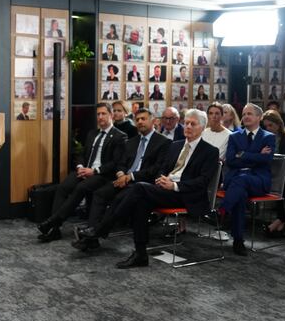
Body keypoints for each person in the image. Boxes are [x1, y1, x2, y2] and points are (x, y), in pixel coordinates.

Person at [73, 110, 219, 267]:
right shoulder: (176, 146)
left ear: (202, 128)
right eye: (187, 123)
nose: (188, 126)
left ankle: (100, 229)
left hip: (185, 194)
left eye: (193, 124)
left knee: (139, 189)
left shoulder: (210, 151)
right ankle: (140, 254)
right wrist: (163, 179)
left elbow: (202, 182)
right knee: (141, 201)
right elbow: (162, 168)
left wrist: (174, 185)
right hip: (165, 189)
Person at [76, 108, 171, 242]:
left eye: (143, 119)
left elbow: (156, 169)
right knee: (100, 193)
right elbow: (121, 163)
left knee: (119, 198)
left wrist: (130, 177)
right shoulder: (132, 141)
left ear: (153, 121)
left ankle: (93, 235)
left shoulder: (164, 142)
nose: (140, 122)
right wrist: (121, 175)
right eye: (137, 120)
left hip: (143, 183)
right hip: (123, 179)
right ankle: (92, 234)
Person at [36, 104, 126, 242]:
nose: (100, 117)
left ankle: (53, 221)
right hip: (84, 170)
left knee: (81, 187)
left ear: (111, 115)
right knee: (63, 187)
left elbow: (115, 162)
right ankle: (55, 230)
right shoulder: (92, 133)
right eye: (98, 114)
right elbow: (82, 153)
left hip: (101, 175)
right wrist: (80, 166)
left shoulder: (119, 136)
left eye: (103, 114)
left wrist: (94, 170)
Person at [217, 104, 275, 254]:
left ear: (258, 117)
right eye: (243, 114)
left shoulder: (269, 137)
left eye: (249, 114)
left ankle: (221, 211)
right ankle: (238, 241)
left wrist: (243, 154)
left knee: (242, 180)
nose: (245, 117)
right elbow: (230, 160)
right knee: (240, 194)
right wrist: (256, 155)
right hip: (236, 180)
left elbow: (266, 159)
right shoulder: (234, 136)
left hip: (258, 180)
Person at [260, 110, 285, 236]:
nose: (268, 129)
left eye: (271, 125)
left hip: (283, 173)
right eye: (266, 126)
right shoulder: (263, 138)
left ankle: (280, 221)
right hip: (267, 171)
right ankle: (280, 223)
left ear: (278, 124)